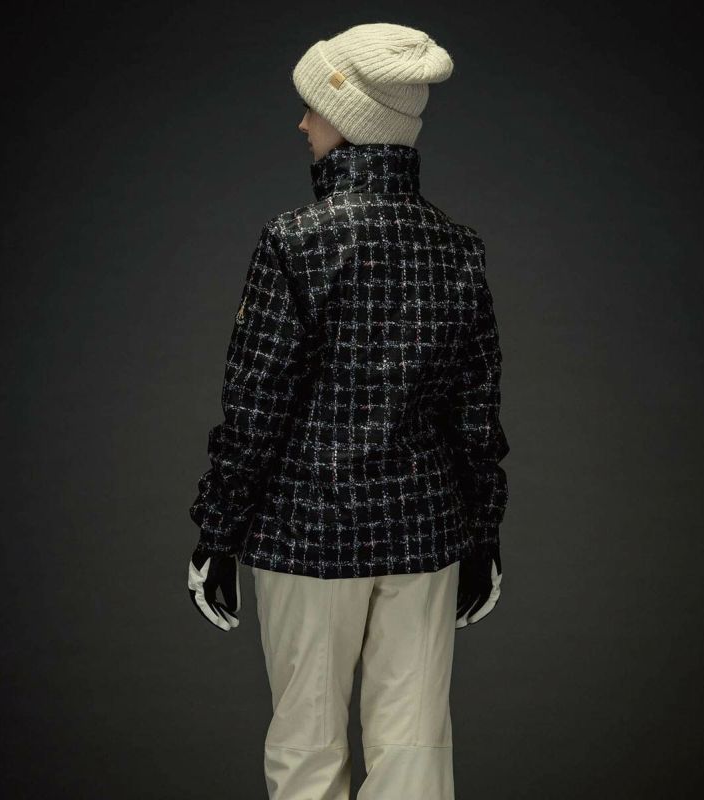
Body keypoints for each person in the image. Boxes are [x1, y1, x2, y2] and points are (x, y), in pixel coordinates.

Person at [187, 21, 510, 800]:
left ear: (350, 117)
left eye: (313, 107)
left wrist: (217, 533)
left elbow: (255, 405)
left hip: (305, 533)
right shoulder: (456, 247)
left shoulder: (294, 241)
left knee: (306, 748)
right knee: (414, 749)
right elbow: (476, 412)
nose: (302, 123)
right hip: (426, 533)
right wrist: (483, 532)